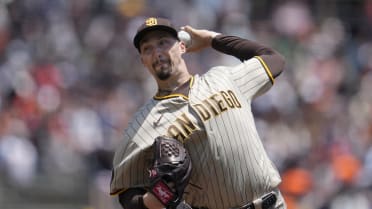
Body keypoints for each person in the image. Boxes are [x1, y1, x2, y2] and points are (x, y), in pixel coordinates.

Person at [110, 17, 286, 209]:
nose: (157, 53)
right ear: (143, 61)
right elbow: (125, 192)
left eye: (163, 43)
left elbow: (274, 59)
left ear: (182, 47)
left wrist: (212, 39)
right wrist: (153, 199)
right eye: (147, 49)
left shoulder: (224, 78)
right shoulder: (140, 126)